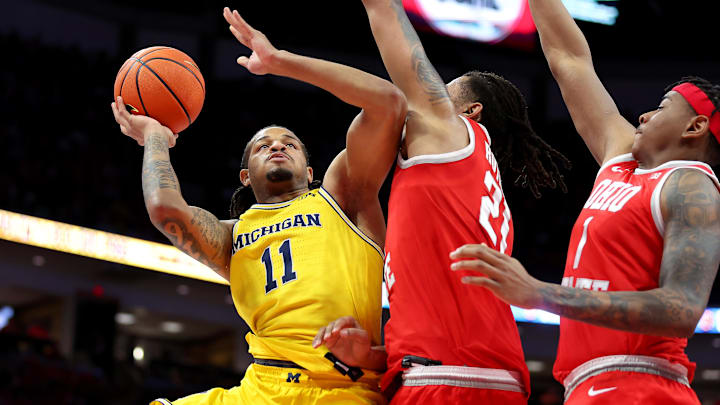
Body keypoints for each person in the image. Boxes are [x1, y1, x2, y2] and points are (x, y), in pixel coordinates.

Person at [111, 7, 407, 404]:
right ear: (245, 176)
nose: (277, 145)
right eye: (263, 145)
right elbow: (166, 211)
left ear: (311, 168)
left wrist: (280, 61)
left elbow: (388, 103)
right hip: (258, 389)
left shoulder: (343, 197)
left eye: (290, 142)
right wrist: (155, 140)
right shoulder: (232, 236)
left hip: (340, 388)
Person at [449, 0, 720, 404]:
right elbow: (568, 58)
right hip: (588, 385)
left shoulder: (691, 187)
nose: (643, 115)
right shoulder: (622, 159)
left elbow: (680, 309)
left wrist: (540, 293)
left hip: (643, 386)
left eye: (661, 108)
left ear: (695, 126)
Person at [313, 0, 570, 403]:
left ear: (471, 111)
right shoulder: (477, 182)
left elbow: (389, 24)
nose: (427, 102)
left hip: (444, 383)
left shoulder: (449, 133)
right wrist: (371, 356)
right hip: (485, 377)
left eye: (441, 93)